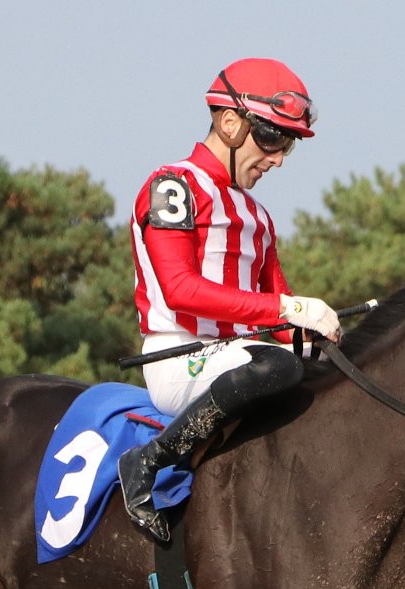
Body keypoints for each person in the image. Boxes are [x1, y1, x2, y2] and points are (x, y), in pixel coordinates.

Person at [118, 57, 344, 541]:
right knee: (278, 366)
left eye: (288, 144)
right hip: (180, 357)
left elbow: (278, 310)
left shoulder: (258, 215)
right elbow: (181, 290)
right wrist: (288, 310)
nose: (278, 157)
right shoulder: (172, 186)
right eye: (272, 138)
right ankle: (148, 461)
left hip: (244, 356)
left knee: (332, 369)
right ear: (229, 123)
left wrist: (314, 335)